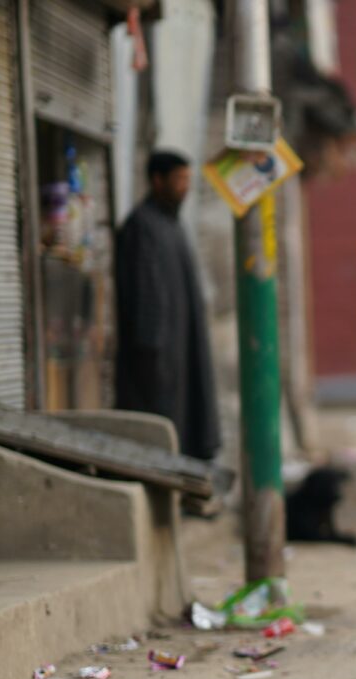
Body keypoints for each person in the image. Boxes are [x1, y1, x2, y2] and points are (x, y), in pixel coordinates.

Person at [114, 151, 221, 462]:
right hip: (158, 361)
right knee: (163, 431)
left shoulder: (172, 225)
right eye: (179, 180)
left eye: (188, 180)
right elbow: (145, 297)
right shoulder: (142, 226)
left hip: (180, 351)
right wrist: (154, 355)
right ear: (157, 181)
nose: (185, 187)